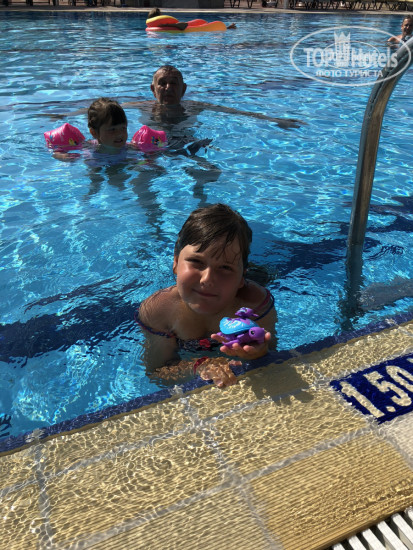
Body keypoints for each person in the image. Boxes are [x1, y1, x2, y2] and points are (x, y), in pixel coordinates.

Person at [135, 203, 277, 388]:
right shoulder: (159, 311)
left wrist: (258, 353)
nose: (207, 279)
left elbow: (271, 355)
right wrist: (198, 366)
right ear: (175, 262)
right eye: (196, 261)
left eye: (225, 267)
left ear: (242, 277)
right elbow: (157, 372)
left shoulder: (255, 305)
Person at [51, 97, 129, 161]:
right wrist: (63, 156)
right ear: (94, 133)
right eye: (112, 129)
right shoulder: (88, 146)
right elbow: (57, 152)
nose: (120, 134)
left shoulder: (129, 147)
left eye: (123, 128)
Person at [146, 8, 236, 30]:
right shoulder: (161, 27)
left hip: (190, 29)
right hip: (188, 30)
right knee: (208, 27)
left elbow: (184, 25)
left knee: (206, 26)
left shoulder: (162, 26)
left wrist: (169, 25)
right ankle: (229, 27)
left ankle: (228, 28)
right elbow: (183, 26)